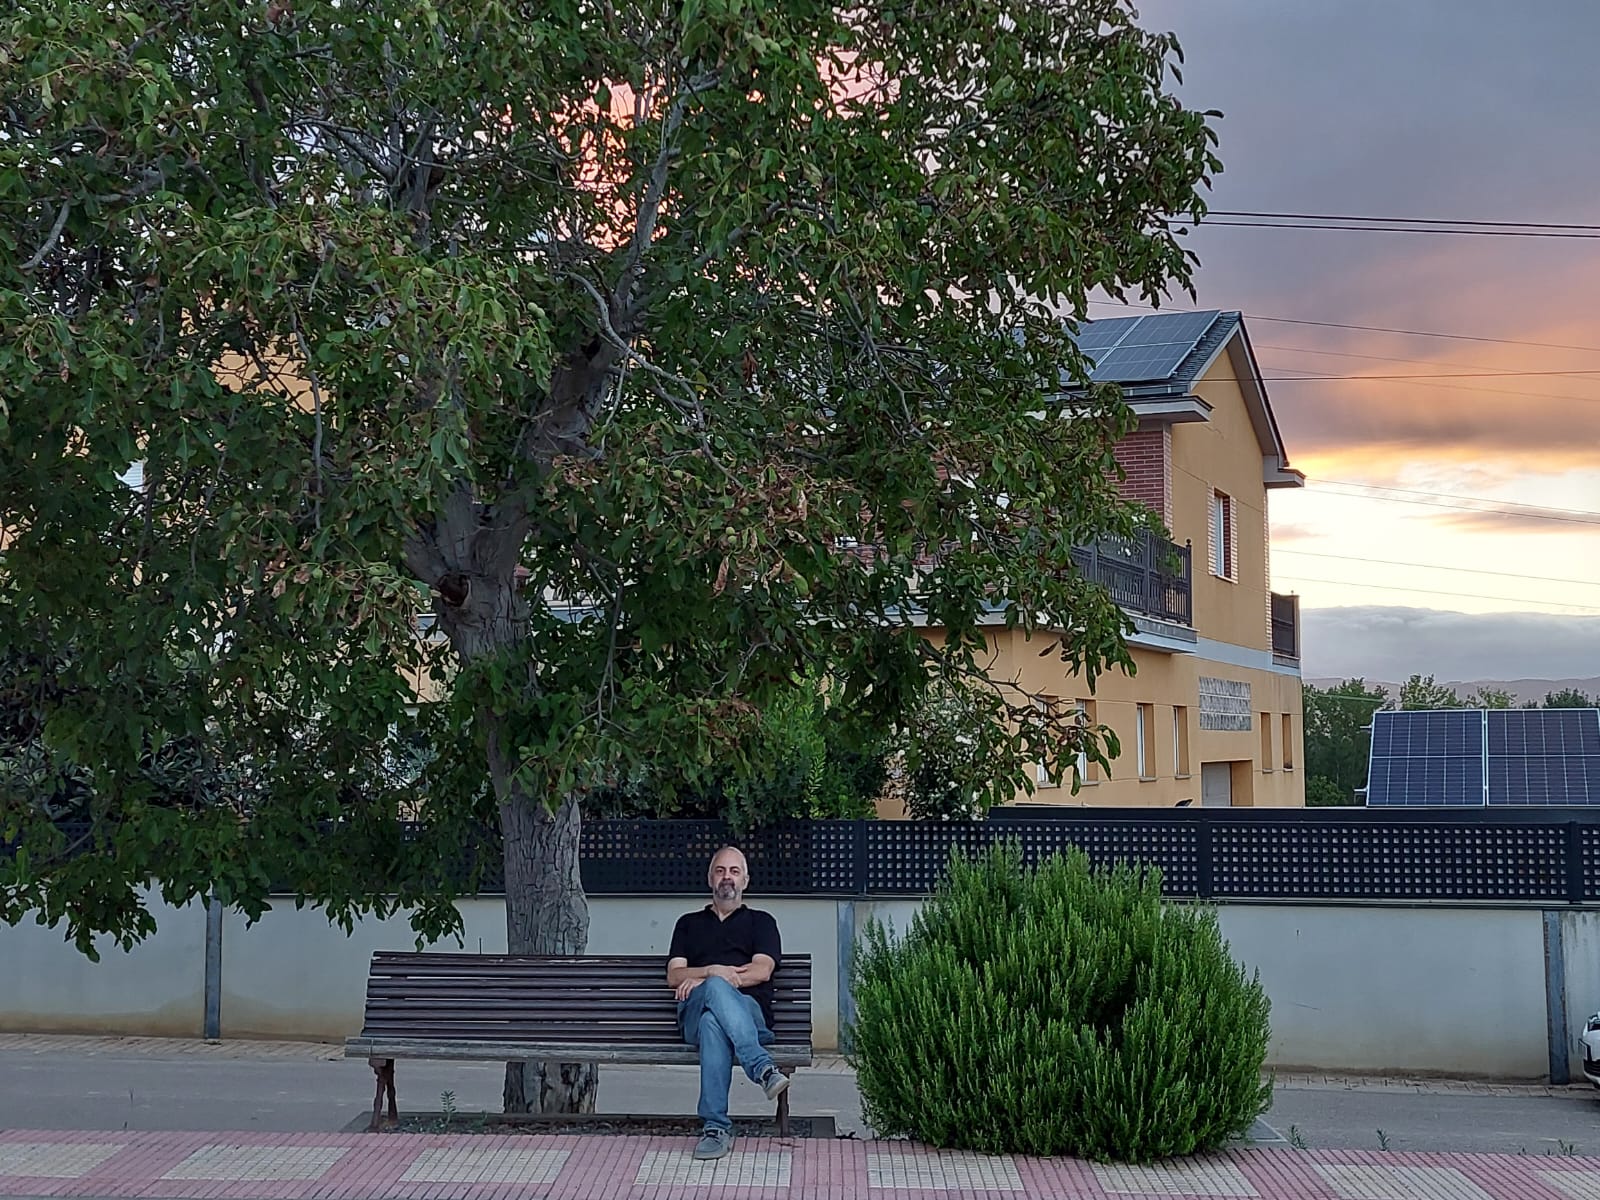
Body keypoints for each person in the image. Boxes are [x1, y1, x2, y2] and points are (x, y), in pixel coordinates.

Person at [666, 845, 791, 1160]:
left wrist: (711, 982)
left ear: (745, 881)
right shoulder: (688, 924)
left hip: (749, 1014)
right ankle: (763, 1069)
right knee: (709, 1005)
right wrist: (712, 973)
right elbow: (674, 976)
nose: (727, 877)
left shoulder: (761, 922)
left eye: (734, 871)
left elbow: (762, 970)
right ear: (710, 878)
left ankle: (715, 1129)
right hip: (692, 1014)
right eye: (720, 870)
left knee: (714, 1021)